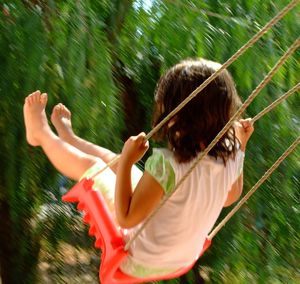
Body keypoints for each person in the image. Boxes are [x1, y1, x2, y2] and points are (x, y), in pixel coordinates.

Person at [23, 58, 254, 278]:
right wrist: (241, 147)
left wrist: (126, 161)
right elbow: (230, 197)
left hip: (140, 260)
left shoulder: (168, 166)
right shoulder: (229, 159)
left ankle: (41, 134)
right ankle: (70, 139)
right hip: (181, 259)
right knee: (113, 162)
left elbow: (126, 218)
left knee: (95, 167)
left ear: (177, 115)